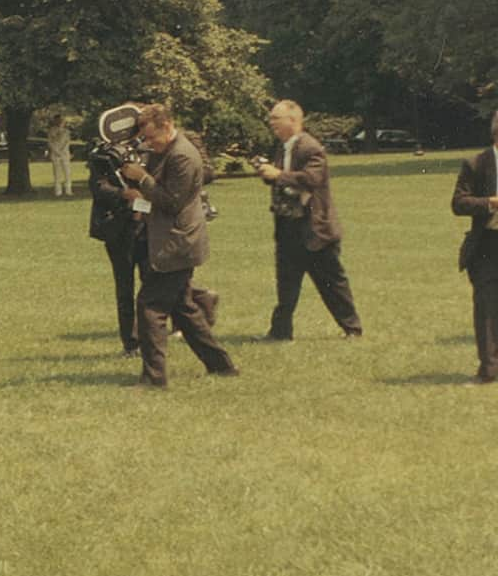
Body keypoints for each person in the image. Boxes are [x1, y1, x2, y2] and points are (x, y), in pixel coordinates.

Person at [120, 104, 238, 387]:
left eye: (151, 137)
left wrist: (142, 179)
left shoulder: (183, 156)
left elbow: (172, 202)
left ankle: (154, 378)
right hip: (173, 240)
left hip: (178, 242)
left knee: (149, 307)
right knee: (184, 311)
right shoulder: (166, 151)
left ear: (167, 125)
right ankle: (221, 366)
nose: (149, 143)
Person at [254, 100, 363, 342]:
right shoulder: (283, 147)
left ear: (293, 120)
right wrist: (267, 173)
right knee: (286, 284)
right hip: (288, 226)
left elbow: (312, 179)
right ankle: (280, 332)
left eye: (276, 119)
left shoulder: (311, 148)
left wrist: (278, 174)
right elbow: (284, 181)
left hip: (314, 230)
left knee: (332, 283)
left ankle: (352, 328)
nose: (271, 123)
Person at [451, 111, 498, 386]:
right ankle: (488, 370)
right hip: (487, 245)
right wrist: (491, 202)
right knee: (486, 306)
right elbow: (458, 203)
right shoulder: (476, 164)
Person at [88, 143, 145, 357]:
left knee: (154, 285)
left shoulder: (152, 147)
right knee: (125, 288)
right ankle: (131, 343)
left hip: (149, 227)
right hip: (119, 229)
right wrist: (125, 194)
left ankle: (152, 336)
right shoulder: (102, 154)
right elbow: (98, 187)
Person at [49, 115, 73, 197]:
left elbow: (67, 142)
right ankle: (58, 191)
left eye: (61, 121)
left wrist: (63, 150)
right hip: (56, 154)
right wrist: (56, 151)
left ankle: (68, 190)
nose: (60, 122)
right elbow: (50, 142)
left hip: (65, 154)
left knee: (67, 173)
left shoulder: (66, 131)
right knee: (57, 173)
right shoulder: (52, 131)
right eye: (58, 120)